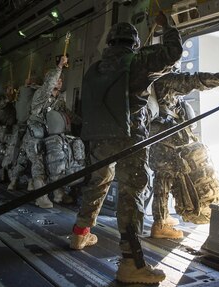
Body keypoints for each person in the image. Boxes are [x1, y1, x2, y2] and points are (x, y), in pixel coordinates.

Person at [70, 12, 182, 284]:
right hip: (129, 138)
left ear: (109, 42)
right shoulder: (138, 60)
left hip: (99, 138)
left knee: (96, 184)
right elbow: (173, 53)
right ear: (133, 43)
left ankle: (80, 233)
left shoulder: (95, 68)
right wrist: (168, 25)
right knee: (131, 195)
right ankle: (131, 263)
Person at [149, 65, 219, 239]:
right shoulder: (165, 80)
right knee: (163, 182)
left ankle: (163, 218)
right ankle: (160, 225)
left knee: (164, 181)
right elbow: (196, 80)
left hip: (159, 142)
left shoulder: (150, 80)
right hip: (167, 144)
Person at [21, 56, 69, 208]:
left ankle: (58, 194)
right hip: (35, 134)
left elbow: (67, 114)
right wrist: (60, 66)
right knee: (39, 163)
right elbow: (49, 84)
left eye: (61, 80)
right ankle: (41, 197)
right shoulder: (42, 93)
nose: (59, 82)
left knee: (56, 161)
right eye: (57, 79)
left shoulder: (59, 99)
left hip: (50, 135)